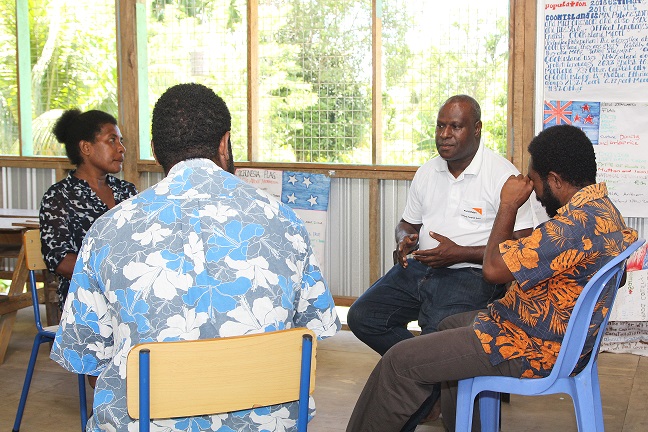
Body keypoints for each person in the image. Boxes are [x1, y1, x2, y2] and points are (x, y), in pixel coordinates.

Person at [50, 83, 341, 431]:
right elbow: (313, 329)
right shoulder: (283, 219)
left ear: (156, 150)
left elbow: (88, 354)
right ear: (224, 143)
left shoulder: (108, 230)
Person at [345, 124, 638, 432]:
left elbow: (493, 269)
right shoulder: (605, 212)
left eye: (534, 182)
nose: (534, 193)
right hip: (552, 337)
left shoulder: (568, 228)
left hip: (530, 346)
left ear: (555, 180)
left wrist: (508, 205)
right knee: (447, 326)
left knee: (399, 361)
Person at [346, 94, 535, 427]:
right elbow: (409, 223)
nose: (445, 134)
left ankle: (420, 388)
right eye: (441, 125)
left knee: (435, 342)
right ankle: (429, 386)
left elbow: (522, 245)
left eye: (456, 127)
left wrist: (460, 253)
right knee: (364, 316)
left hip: (473, 275)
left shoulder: (502, 175)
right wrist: (402, 238)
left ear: (477, 130)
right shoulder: (427, 171)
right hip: (421, 266)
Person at [39, 109, 137, 310]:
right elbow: (60, 261)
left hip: (129, 292)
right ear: (86, 147)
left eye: (121, 141)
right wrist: (113, 274)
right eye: (112, 140)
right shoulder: (59, 197)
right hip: (84, 300)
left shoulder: (127, 192)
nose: (121, 148)